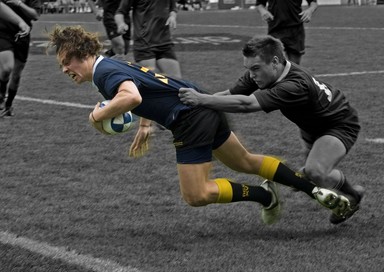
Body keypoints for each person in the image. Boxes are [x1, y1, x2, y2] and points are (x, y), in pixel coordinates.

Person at [47, 25, 355, 226]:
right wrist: (145, 124)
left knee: (196, 195)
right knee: (245, 161)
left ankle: (265, 196)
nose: (64, 69)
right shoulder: (111, 65)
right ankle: (314, 190)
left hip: (190, 119)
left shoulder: (104, 74)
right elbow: (147, 84)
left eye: (67, 61)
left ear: (84, 55)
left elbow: (131, 94)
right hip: (202, 106)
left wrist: (96, 116)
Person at [179, 35, 365, 224]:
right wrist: (187, 109)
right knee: (310, 175)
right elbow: (229, 95)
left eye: (256, 69)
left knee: (315, 171)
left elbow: (246, 105)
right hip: (311, 126)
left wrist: (201, 99)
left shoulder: (295, 85)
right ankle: (348, 190)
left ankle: (353, 196)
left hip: (339, 123)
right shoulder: (263, 73)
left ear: (275, 62)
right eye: (248, 69)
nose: (251, 75)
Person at [115, 0, 182, 79]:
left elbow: (173, 9)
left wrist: (172, 17)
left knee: (176, 79)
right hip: (144, 43)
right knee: (150, 80)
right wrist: (120, 24)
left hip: (164, 42)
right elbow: (120, 12)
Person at [0, 0, 39, 117]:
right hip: (3, 33)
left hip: (22, 35)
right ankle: (1, 93)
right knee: (7, 68)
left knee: (16, 75)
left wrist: (19, 3)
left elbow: (35, 15)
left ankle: (8, 106)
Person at [256, 0, 318, 65]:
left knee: (294, 66)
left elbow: (313, 2)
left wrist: (309, 11)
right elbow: (259, 4)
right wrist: (263, 11)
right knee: (275, 65)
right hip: (275, 30)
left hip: (295, 31)